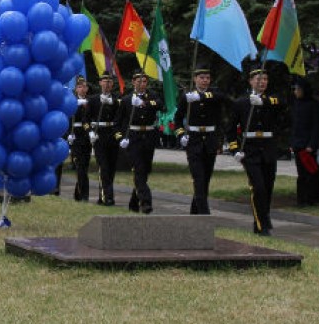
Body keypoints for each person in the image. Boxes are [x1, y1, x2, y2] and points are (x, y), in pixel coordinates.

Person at [228, 65, 288, 235]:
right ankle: (262, 225)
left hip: (268, 147)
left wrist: (264, 101)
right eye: (259, 79)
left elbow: (283, 103)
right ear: (251, 81)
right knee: (258, 187)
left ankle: (262, 218)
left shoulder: (271, 100)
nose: (262, 82)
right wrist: (234, 149)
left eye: (265, 79)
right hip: (250, 149)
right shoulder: (241, 103)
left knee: (268, 186)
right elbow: (231, 128)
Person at [174, 64, 229, 215]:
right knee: (198, 177)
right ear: (195, 79)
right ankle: (204, 213)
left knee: (206, 178)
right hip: (194, 140)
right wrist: (180, 134)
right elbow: (177, 119)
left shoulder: (215, 94)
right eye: (201, 78)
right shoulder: (187, 97)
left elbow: (223, 99)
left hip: (210, 140)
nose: (205, 81)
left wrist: (201, 96)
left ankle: (195, 209)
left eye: (207, 78)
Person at [116, 69, 164, 214]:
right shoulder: (126, 100)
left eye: (144, 81)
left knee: (145, 171)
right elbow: (118, 122)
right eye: (139, 81)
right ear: (133, 82)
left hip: (148, 137)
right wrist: (120, 137)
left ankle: (133, 203)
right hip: (134, 137)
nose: (142, 84)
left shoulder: (152, 96)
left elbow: (161, 105)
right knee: (138, 170)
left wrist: (144, 104)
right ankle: (146, 202)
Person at [290, 77, 319, 207]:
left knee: (310, 172)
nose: (296, 92)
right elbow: (295, 126)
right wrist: (292, 143)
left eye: (298, 89)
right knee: (301, 173)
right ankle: (301, 199)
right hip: (298, 144)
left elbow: (317, 127)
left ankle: (311, 198)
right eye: (295, 90)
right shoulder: (296, 104)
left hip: (308, 145)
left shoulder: (313, 105)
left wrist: (312, 144)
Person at [90, 72, 121, 205]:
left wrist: (112, 102)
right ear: (100, 83)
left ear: (112, 84)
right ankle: (107, 197)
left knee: (112, 167)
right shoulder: (93, 99)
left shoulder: (117, 99)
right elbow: (86, 118)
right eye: (104, 81)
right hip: (99, 135)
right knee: (103, 167)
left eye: (109, 82)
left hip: (112, 134)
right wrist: (90, 132)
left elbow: (121, 116)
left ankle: (103, 195)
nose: (107, 84)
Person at [68, 77, 93, 202]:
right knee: (80, 166)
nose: (82, 89)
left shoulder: (91, 101)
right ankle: (84, 195)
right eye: (79, 87)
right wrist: (68, 134)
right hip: (76, 135)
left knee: (85, 166)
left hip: (87, 136)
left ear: (87, 89)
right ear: (76, 89)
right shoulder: (72, 101)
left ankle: (78, 194)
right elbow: (67, 118)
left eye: (84, 87)